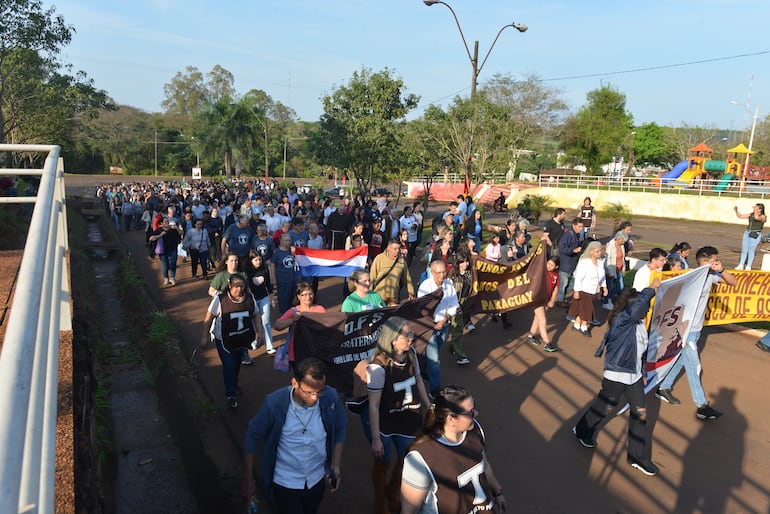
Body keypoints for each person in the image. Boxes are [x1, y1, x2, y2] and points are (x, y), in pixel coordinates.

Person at [572, 282, 661, 476]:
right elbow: (638, 307)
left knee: (640, 414)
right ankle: (581, 429)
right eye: (644, 307)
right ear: (634, 308)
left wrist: (643, 374)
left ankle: (637, 457)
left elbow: (641, 353)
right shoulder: (622, 320)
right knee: (605, 406)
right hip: (616, 375)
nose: (647, 310)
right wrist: (651, 289)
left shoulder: (638, 325)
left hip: (634, 376)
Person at [243, 358, 346, 514]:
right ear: (295, 383)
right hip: (285, 483)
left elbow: (340, 425)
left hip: (317, 480)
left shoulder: (330, 397)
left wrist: (335, 464)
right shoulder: (274, 404)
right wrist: (249, 480)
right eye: (309, 392)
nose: (315, 398)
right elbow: (252, 435)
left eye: (319, 391)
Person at [655, 246, 737, 421]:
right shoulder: (691, 276)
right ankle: (702, 406)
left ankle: (663, 387)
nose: (716, 262)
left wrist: (721, 269)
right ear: (705, 262)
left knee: (680, 360)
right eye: (714, 260)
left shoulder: (712, 276)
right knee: (694, 366)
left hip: (697, 329)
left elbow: (733, 282)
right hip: (685, 330)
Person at [359, 317, 431, 514]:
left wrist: (429, 406)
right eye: (406, 334)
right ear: (392, 339)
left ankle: (393, 491)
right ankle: (380, 501)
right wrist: (376, 439)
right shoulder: (378, 367)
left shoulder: (413, 355)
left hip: (408, 418)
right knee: (383, 460)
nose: (411, 337)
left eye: (411, 333)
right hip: (384, 422)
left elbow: (418, 381)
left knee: (406, 459)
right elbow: (373, 405)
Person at [400, 385, 506, 514]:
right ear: (451, 420)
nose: (476, 414)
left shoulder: (475, 430)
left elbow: (483, 465)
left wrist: (497, 492)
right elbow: (410, 509)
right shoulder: (421, 457)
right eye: (470, 412)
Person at [199, 274, 264, 409]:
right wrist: (204, 337)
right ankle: (230, 394)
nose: (239, 289)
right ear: (230, 286)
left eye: (241, 286)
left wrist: (260, 332)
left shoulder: (249, 298)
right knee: (229, 365)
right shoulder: (220, 299)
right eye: (236, 286)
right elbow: (209, 317)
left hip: (242, 338)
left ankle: (233, 383)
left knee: (237, 364)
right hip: (224, 339)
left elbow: (256, 314)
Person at [417, 260, 459, 397]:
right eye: (438, 273)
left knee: (434, 355)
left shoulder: (449, 285)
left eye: (443, 272)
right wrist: (432, 322)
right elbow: (421, 309)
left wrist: (445, 319)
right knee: (435, 360)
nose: (442, 276)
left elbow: (454, 304)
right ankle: (434, 390)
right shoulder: (425, 287)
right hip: (429, 328)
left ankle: (423, 370)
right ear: (432, 272)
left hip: (444, 326)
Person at [274, 282, 326, 371]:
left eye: (310, 294)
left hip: (316, 350)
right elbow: (277, 325)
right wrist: (292, 320)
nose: (308, 297)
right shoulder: (293, 311)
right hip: (297, 352)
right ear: (298, 296)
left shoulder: (320, 309)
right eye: (304, 294)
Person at [567, 241, 607, 337]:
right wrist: (576, 291)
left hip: (594, 289)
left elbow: (602, 275)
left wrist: (604, 287)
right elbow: (579, 277)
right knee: (588, 309)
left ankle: (577, 324)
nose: (600, 253)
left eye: (600, 251)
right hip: (584, 289)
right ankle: (584, 326)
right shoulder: (584, 262)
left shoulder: (600, 262)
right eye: (597, 251)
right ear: (591, 252)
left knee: (583, 308)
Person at [244, 250, 277, 355]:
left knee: (266, 322)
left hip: (264, 298)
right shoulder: (247, 272)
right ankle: (255, 341)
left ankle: (270, 346)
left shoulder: (264, 269)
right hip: (252, 300)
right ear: (251, 261)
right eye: (255, 260)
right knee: (253, 323)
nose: (258, 262)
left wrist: (271, 297)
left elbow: (268, 284)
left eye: (259, 259)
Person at [528, 256, 560, 352]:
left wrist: (552, 300)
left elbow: (555, 289)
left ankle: (531, 334)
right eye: (548, 263)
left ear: (556, 267)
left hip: (547, 299)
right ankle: (547, 342)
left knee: (537, 318)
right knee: (542, 319)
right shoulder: (541, 272)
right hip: (537, 299)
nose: (549, 266)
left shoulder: (556, 276)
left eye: (552, 265)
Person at [370, 239, 415, 306]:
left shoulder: (401, 261)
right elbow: (372, 277)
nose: (397, 251)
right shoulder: (379, 258)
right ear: (388, 248)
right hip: (379, 296)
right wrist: (368, 294)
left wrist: (411, 293)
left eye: (399, 248)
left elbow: (407, 278)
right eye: (395, 249)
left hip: (393, 297)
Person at [448, 253, 474, 363]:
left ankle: (452, 347)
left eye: (467, 261)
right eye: (462, 262)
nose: (465, 264)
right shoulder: (453, 277)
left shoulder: (469, 274)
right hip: (455, 304)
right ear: (458, 263)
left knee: (458, 328)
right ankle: (460, 356)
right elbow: (449, 293)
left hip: (464, 303)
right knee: (457, 329)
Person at [556, 218, 584, 306]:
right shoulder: (568, 235)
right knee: (563, 282)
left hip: (572, 262)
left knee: (570, 281)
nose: (581, 229)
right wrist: (573, 250)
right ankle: (559, 300)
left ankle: (563, 297)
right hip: (565, 262)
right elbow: (562, 248)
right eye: (579, 226)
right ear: (574, 225)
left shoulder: (577, 235)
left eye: (582, 227)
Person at [148, 217, 184, 286]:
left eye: (168, 221)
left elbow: (181, 232)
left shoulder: (173, 229)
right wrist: (160, 235)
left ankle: (172, 278)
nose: (167, 223)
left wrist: (176, 228)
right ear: (161, 223)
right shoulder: (159, 230)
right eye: (165, 222)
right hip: (163, 251)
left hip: (173, 249)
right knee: (164, 265)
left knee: (173, 264)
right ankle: (166, 278)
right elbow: (151, 238)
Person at [271, 233, 298, 316]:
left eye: (289, 240)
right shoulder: (277, 253)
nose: (288, 242)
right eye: (286, 240)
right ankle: (284, 314)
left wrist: (295, 252)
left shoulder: (292, 250)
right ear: (281, 241)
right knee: (283, 298)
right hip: (282, 280)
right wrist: (273, 279)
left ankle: (290, 312)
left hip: (293, 279)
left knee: (292, 297)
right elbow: (272, 266)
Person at [734, 203, 766, 270]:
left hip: (756, 233)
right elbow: (741, 216)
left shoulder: (763, 216)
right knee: (744, 249)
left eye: (757, 207)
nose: (754, 207)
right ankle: (741, 265)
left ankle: (748, 266)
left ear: (760, 209)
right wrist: (736, 210)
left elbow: (756, 218)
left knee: (751, 250)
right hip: (747, 232)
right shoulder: (751, 214)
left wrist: (755, 210)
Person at [604, 231, 629, 309]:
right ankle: (606, 301)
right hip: (611, 270)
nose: (623, 242)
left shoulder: (621, 246)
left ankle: (610, 298)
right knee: (609, 286)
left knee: (620, 287)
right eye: (622, 241)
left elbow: (622, 257)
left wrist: (623, 267)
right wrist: (610, 272)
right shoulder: (610, 246)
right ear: (618, 239)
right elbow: (608, 260)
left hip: (619, 269)